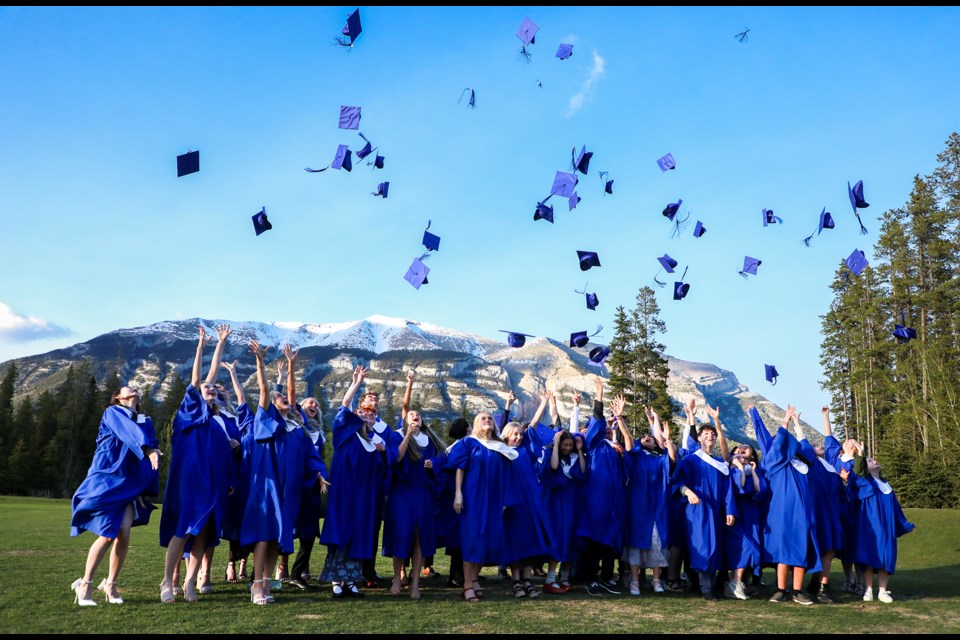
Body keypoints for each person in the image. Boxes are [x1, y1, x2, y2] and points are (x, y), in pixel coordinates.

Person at [242, 342, 326, 605]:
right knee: (264, 536)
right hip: (267, 487)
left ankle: (267, 584)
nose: (286, 399)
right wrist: (260, 361)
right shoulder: (267, 419)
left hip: (288, 491)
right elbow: (266, 389)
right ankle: (257, 585)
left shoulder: (298, 430)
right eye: (282, 398)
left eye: (287, 399)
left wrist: (320, 474)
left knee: (278, 538)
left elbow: (312, 457)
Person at [159, 324, 238, 604]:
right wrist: (207, 346)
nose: (211, 388)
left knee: (204, 533)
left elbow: (223, 455)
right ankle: (168, 581)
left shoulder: (219, 422)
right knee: (183, 530)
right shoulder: (190, 410)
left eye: (213, 388)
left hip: (214, 483)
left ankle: (191, 582)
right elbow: (202, 377)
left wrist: (229, 481)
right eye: (206, 387)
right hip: (190, 482)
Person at [70, 386, 160, 606]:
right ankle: (85, 584)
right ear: (119, 397)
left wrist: (144, 484)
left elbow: (152, 444)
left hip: (129, 484)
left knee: (123, 534)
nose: (135, 388)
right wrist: (148, 450)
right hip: (108, 479)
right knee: (108, 534)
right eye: (129, 387)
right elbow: (130, 435)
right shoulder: (112, 412)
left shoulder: (143, 419)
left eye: (137, 388)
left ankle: (110, 584)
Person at [318, 365, 388, 598]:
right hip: (344, 497)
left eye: (371, 415)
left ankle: (351, 580)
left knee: (358, 535)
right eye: (363, 413)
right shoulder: (345, 438)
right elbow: (343, 408)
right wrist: (356, 383)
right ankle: (336, 581)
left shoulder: (373, 446)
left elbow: (379, 474)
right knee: (341, 534)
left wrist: (382, 453)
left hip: (363, 500)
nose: (367, 416)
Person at [750, 404, 821, 606]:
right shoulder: (774, 464)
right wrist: (785, 421)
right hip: (781, 515)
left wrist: (797, 424)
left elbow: (805, 445)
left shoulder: (804, 466)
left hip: (804, 515)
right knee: (783, 552)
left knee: (801, 551)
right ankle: (781, 589)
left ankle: (798, 591)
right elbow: (776, 444)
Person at [383, 386, 446, 600]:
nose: (415, 417)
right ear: (405, 420)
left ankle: (416, 582)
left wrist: (433, 464)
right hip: (402, 494)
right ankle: (397, 578)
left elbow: (443, 459)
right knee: (402, 534)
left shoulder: (430, 439)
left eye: (418, 415)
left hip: (423, 493)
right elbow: (396, 459)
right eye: (411, 415)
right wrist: (408, 434)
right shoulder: (397, 436)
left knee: (419, 537)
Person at [447, 411, 516, 603]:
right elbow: (460, 468)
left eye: (490, 418)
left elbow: (506, 475)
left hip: (493, 498)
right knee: (473, 538)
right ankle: (467, 585)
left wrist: (504, 499)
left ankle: (474, 579)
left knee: (487, 539)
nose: (487, 420)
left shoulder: (500, 447)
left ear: (495, 424)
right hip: (472, 496)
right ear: (476, 424)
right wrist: (458, 494)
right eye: (483, 418)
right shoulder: (469, 443)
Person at [672, 404, 737, 601]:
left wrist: (730, 510)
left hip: (715, 510)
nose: (710, 436)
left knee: (714, 547)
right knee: (702, 546)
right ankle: (706, 589)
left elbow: (728, 490)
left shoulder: (720, 464)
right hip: (697, 509)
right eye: (706, 433)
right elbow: (677, 481)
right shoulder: (691, 460)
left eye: (712, 434)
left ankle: (703, 584)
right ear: (698, 438)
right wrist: (687, 491)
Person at [578, 379, 632, 596]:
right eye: (605, 428)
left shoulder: (617, 449)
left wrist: (619, 417)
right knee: (593, 540)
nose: (607, 429)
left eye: (611, 428)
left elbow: (630, 446)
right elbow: (598, 422)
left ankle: (608, 577)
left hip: (615, 502)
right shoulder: (593, 445)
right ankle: (591, 578)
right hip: (595, 500)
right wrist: (599, 396)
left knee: (611, 541)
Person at [842, 455, 915, 603]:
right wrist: (860, 454)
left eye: (873, 459)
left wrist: (904, 525)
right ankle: (868, 590)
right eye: (869, 461)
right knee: (870, 557)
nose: (874, 461)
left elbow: (896, 509)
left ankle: (882, 591)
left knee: (885, 558)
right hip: (871, 528)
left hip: (886, 528)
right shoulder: (866, 483)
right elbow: (858, 472)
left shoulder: (886, 485)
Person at [501, 398, 553, 599]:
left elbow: (532, 426)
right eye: (515, 434)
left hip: (530, 502)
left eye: (520, 435)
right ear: (507, 436)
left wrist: (543, 402)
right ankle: (516, 581)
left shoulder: (525, 451)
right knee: (516, 542)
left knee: (530, 541)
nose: (519, 437)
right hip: (513, 504)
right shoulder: (502, 452)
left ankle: (528, 580)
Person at [622, 404, 677, 596]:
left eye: (651, 437)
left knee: (656, 543)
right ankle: (635, 581)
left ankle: (655, 580)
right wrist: (620, 419)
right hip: (638, 507)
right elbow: (628, 440)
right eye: (644, 437)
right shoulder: (635, 457)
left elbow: (671, 460)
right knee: (637, 542)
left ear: (656, 444)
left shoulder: (660, 460)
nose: (647, 437)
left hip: (658, 508)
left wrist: (666, 438)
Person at [796, 406, 846, 604]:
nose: (819, 446)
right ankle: (820, 587)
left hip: (833, 511)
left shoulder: (832, 465)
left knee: (831, 549)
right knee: (822, 547)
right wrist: (797, 423)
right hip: (818, 510)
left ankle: (820, 585)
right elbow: (803, 441)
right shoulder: (811, 463)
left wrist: (826, 416)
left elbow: (829, 438)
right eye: (815, 447)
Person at [541, 392, 587, 594]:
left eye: (570, 445)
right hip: (556, 503)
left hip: (573, 502)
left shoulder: (577, 457)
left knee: (571, 537)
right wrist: (556, 445)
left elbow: (583, 472)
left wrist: (579, 449)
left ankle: (565, 575)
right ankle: (551, 577)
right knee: (557, 536)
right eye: (565, 445)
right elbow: (552, 468)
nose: (568, 448)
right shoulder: (555, 456)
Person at [288, 392, 330, 591]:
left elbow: (317, 458)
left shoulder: (318, 432)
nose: (314, 404)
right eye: (309, 402)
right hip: (296, 483)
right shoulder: (298, 429)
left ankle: (298, 572)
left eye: (316, 403)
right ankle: (264, 574)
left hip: (313, 485)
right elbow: (290, 394)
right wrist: (290, 368)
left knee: (309, 531)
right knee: (286, 527)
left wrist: (321, 475)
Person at [723, 443, 769, 600]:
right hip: (738, 513)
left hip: (752, 515)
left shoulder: (755, 471)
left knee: (754, 549)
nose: (742, 449)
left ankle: (741, 583)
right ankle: (734, 584)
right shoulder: (733, 470)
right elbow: (739, 486)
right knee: (744, 549)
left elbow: (759, 490)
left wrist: (754, 471)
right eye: (738, 450)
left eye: (746, 448)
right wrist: (740, 468)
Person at [433, 417, 470, 589]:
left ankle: (463, 573)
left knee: (461, 537)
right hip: (458, 496)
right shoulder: (462, 446)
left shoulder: (451, 447)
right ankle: (455, 575)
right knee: (459, 538)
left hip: (454, 495)